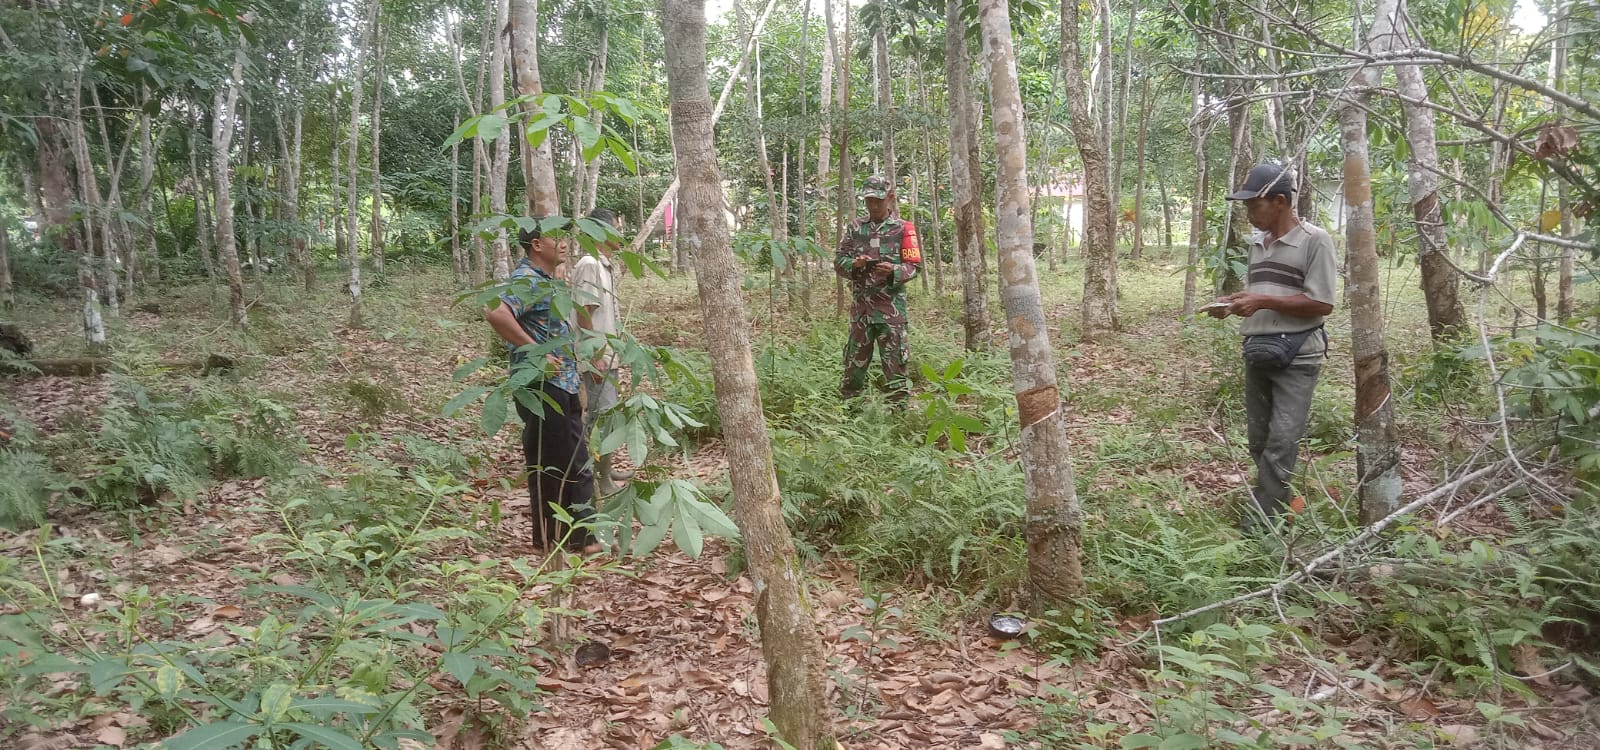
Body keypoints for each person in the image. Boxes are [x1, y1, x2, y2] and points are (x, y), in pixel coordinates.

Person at [1207, 163, 1338, 531]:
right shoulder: (1256, 245)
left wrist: (1262, 301)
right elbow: (1265, 294)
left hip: (1299, 354)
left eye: (1255, 204)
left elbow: (1322, 302)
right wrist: (1237, 303)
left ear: (1280, 201)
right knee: (1259, 439)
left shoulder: (1315, 240)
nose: (1249, 213)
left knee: (1282, 440)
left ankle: (1261, 526)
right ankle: (1275, 506)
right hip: (1259, 348)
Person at [483, 220, 598, 552]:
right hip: (544, 386)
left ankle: (553, 540)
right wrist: (535, 351)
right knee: (572, 463)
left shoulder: (546, 280)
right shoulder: (527, 280)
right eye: (555, 237)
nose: (564, 242)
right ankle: (581, 540)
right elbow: (496, 312)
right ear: (536, 245)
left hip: (561, 383)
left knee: (554, 464)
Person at [834, 174, 923, 402]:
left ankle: (899, 414)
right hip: (861, 312)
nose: (873, 205)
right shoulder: (855, 228)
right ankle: (850, 410)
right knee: (853, 368)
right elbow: (839, 262)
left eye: (878, 200)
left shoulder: (903, 229)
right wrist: (854, 265)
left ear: (890, 197)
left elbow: (914, 266)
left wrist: (894, 271)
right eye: (869, 200)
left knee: (896, 369)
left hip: (891, 312)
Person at [571, 207, 627, 494]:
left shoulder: (604, 265)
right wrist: (595, 358)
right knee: (602, 417)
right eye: (617, 227)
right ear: (602, 231)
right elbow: (584, 312)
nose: (621, 234)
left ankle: (604, 468)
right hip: (597, 357)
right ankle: (598, 479)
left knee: (606, 414)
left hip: (607, 354)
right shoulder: (590, 264)